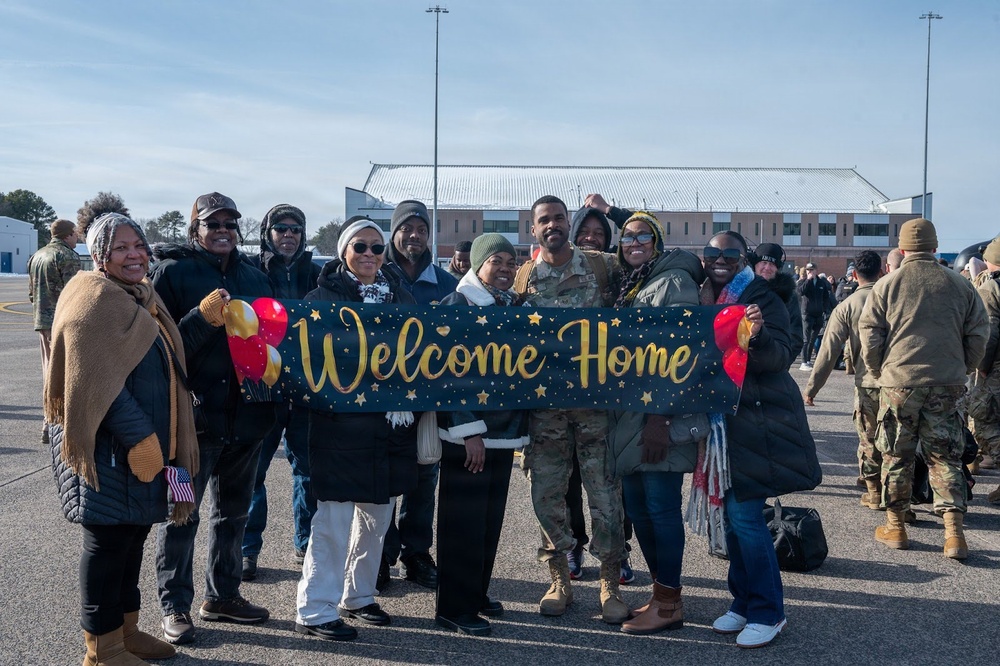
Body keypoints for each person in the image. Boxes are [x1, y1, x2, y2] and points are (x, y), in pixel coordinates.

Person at [46, 213, 199, 665]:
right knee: (107, 548)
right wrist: (138, 436)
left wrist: (202, 320)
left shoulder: (141, 296)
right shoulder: (93, 299)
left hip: (144, 450)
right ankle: (102, 649)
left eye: (139, 245)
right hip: (110, 450)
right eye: (120, 247)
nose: (134, 255)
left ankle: (126, 632)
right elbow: (94, 380)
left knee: (132, 542)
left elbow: (164, 363)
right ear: (100, 256)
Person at [151, 193, 275, 644]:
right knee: (181, 514)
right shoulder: (172, 273)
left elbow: (271, 343)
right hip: (191, 423)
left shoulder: (255, 277)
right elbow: (158, 347)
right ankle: (175, 604)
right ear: (195, 229)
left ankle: (223, 595)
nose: (223, 230)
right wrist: (203, 318)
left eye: (230, 223)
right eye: (212, 223)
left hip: (246, 420)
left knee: (234, 514)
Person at [295, 217, 418, 642]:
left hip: (390, 424)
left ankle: (358, 594)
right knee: (333, 520)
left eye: (377, 247)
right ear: (344, 251)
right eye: (360, 246)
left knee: (377, 518)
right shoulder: (320, 298)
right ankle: (315, 608)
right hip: (339, 426)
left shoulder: (401, 295)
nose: (369, 254)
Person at [700, 231, 821, 649]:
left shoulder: (761, 297)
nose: (720, 259)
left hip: (759, 420)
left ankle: (769, 611)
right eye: (712, 252)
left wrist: (757, 334)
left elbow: (781, 357)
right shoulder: (704, 297)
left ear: (743, 258)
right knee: (735, 521)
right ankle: (743, 601)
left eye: (729, 253)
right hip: (725, 426)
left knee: (746, 518)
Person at [513, 194, 628, 624]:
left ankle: (610, 584)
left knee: (606, 496)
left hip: (595, 409)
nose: (552, 225)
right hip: (545, 413)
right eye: (544, 220)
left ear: (569, 223)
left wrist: (614, 213)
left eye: (559, 218)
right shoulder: (525, 277)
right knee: (546, 496)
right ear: (534, 229)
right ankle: (559, 579)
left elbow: (652, 252)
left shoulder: (601, 266)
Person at [860, 218, 988, 559]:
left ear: (902, 249)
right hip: (947, 382)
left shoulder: (887, 285)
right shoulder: (960, 285)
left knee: (896, 455)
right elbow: (979, 332)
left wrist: (879, 370)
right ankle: (954, 534)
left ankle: (896, 526)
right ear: (934, 247)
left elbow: (869, 333)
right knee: (945, 456)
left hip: (899, 382)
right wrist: (963, 367)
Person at [606, 212, 704, 635]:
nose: (634, 242)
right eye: (627, 237)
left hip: (657, 416)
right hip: (629, 416)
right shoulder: (636, 282)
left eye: (643, 236)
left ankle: (669, 604)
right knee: (640, 510)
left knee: (660, 509)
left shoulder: (673, 281)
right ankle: (661, 593)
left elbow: (683, 352)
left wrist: (661, 417)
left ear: (657, 242)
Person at [435, 233, 528, 636]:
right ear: (477, 265)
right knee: (463, 524)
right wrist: (468, 430)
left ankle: (475, 592)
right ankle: (454, 607)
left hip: (504, 433)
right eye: (495, 261)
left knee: (488, 522)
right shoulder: (458, 304)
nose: (505, 268)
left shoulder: (514, 306)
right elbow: (445, 372)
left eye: (510, 262)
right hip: (469, 436)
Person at [381, 199, 458, 590]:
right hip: (381, 399)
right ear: (394, 232)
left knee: (424, 476)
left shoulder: (445, 283)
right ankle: (380, 554)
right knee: (382, 478)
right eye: (406, 228)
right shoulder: (376, 274)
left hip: (428, 399)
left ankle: (416, 553)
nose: (414, 235)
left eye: (422, 229)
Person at [242, 204, 321, 581]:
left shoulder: (319, 274)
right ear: (268, 233)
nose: (288, 235)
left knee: (308, 472)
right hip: (263, 387)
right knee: (252, 473)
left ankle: (306, 543)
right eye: (281, 228)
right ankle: (247, 549)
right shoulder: (249, 272)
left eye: (295, 229)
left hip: (305, 390)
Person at [566, 205, 635, 583]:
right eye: (584, 231)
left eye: (599, 232)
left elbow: (649, 238)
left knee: (610, 481)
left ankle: (617, 550)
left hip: (608, 396)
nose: (591, 237)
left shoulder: (618, 272)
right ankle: (573, 545)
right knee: (567, 482)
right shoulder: (547, 270)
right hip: (562, 396)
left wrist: (613, 211)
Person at [804, 251, 884, 509]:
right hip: (901, 381)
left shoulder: (847, 306)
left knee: (869, 438)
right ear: (882, 271)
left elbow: (828, 351)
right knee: (897, 440)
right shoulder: (895, 299)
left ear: (854, 275)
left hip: (868, 382)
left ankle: (874, 490)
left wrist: (812, 388)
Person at [28, 218, 81, 442]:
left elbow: (32, 293)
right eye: (75, 233)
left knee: (48, 372)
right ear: (67, 235)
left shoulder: (37, 255)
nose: (77, 237)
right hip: (63, 321)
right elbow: (76, 292)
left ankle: (48, 423)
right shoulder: (67, 255)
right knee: (65, 374)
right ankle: (58, 424)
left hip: (43, 321)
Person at [971, 238, 1000, 503]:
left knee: (984, 420)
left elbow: (988, 333)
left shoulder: (991, 288)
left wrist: (981, 366)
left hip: (996, 371)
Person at [751, 243, 803, 363]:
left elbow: (795, 336)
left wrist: (781, 363)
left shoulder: (788, 296)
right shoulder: (742, 289)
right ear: (754, 264)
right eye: (763, 262)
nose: (767, 267)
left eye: (772, 264)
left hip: (775, 362)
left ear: (778, 268)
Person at [796, 262, 833, 370]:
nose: (810, 272)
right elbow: (801, 292)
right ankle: (803, 362)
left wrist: (823, 308)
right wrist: (808, 280)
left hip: (818, 314)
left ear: (816, 270)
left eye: (812, 270)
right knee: (806, 339)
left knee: (813, 338)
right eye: (808, 270)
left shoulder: (821, 283)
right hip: (807, 314)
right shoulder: (803, 282)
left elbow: (826, 296)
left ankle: (808, 360)